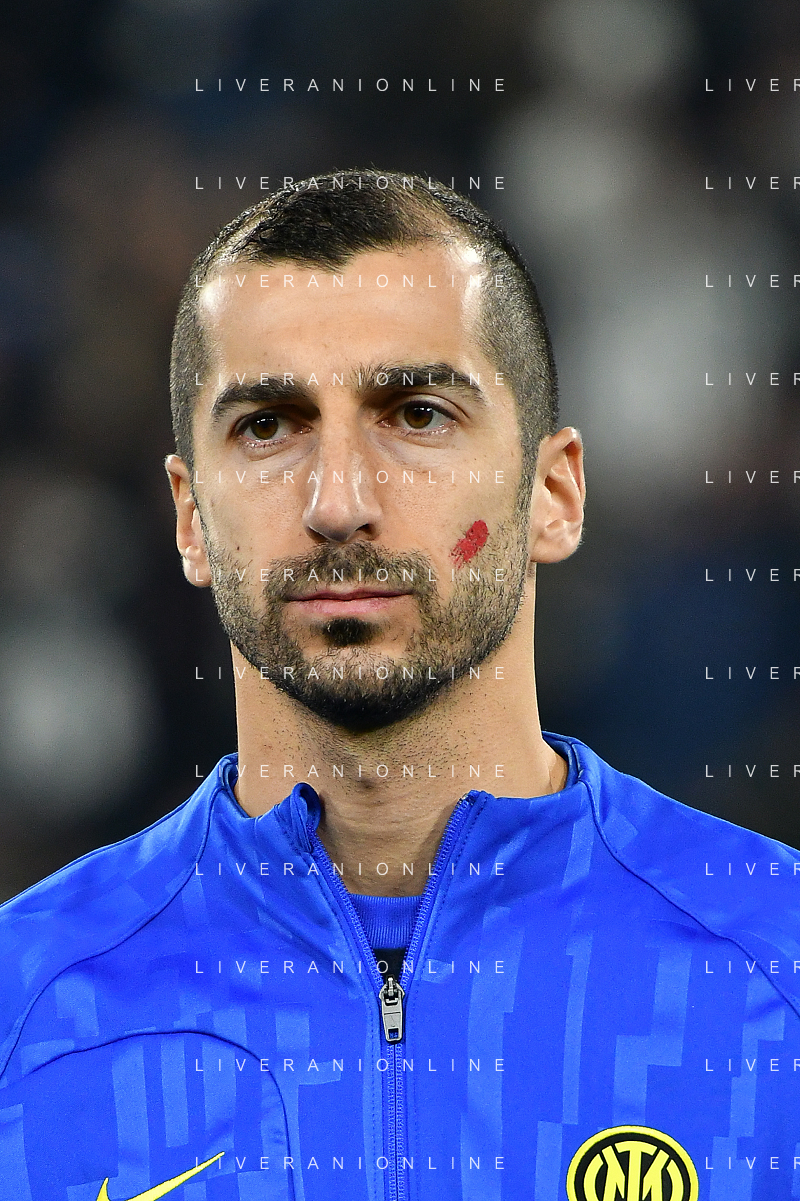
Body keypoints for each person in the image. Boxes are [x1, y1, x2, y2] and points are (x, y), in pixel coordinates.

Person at [2, 171, 799, 1201]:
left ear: (553, 493)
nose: (338, 501)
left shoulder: (774, 967)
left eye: (417, 413)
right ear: (190, 517)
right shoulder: (25, 1008)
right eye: (268, 426)